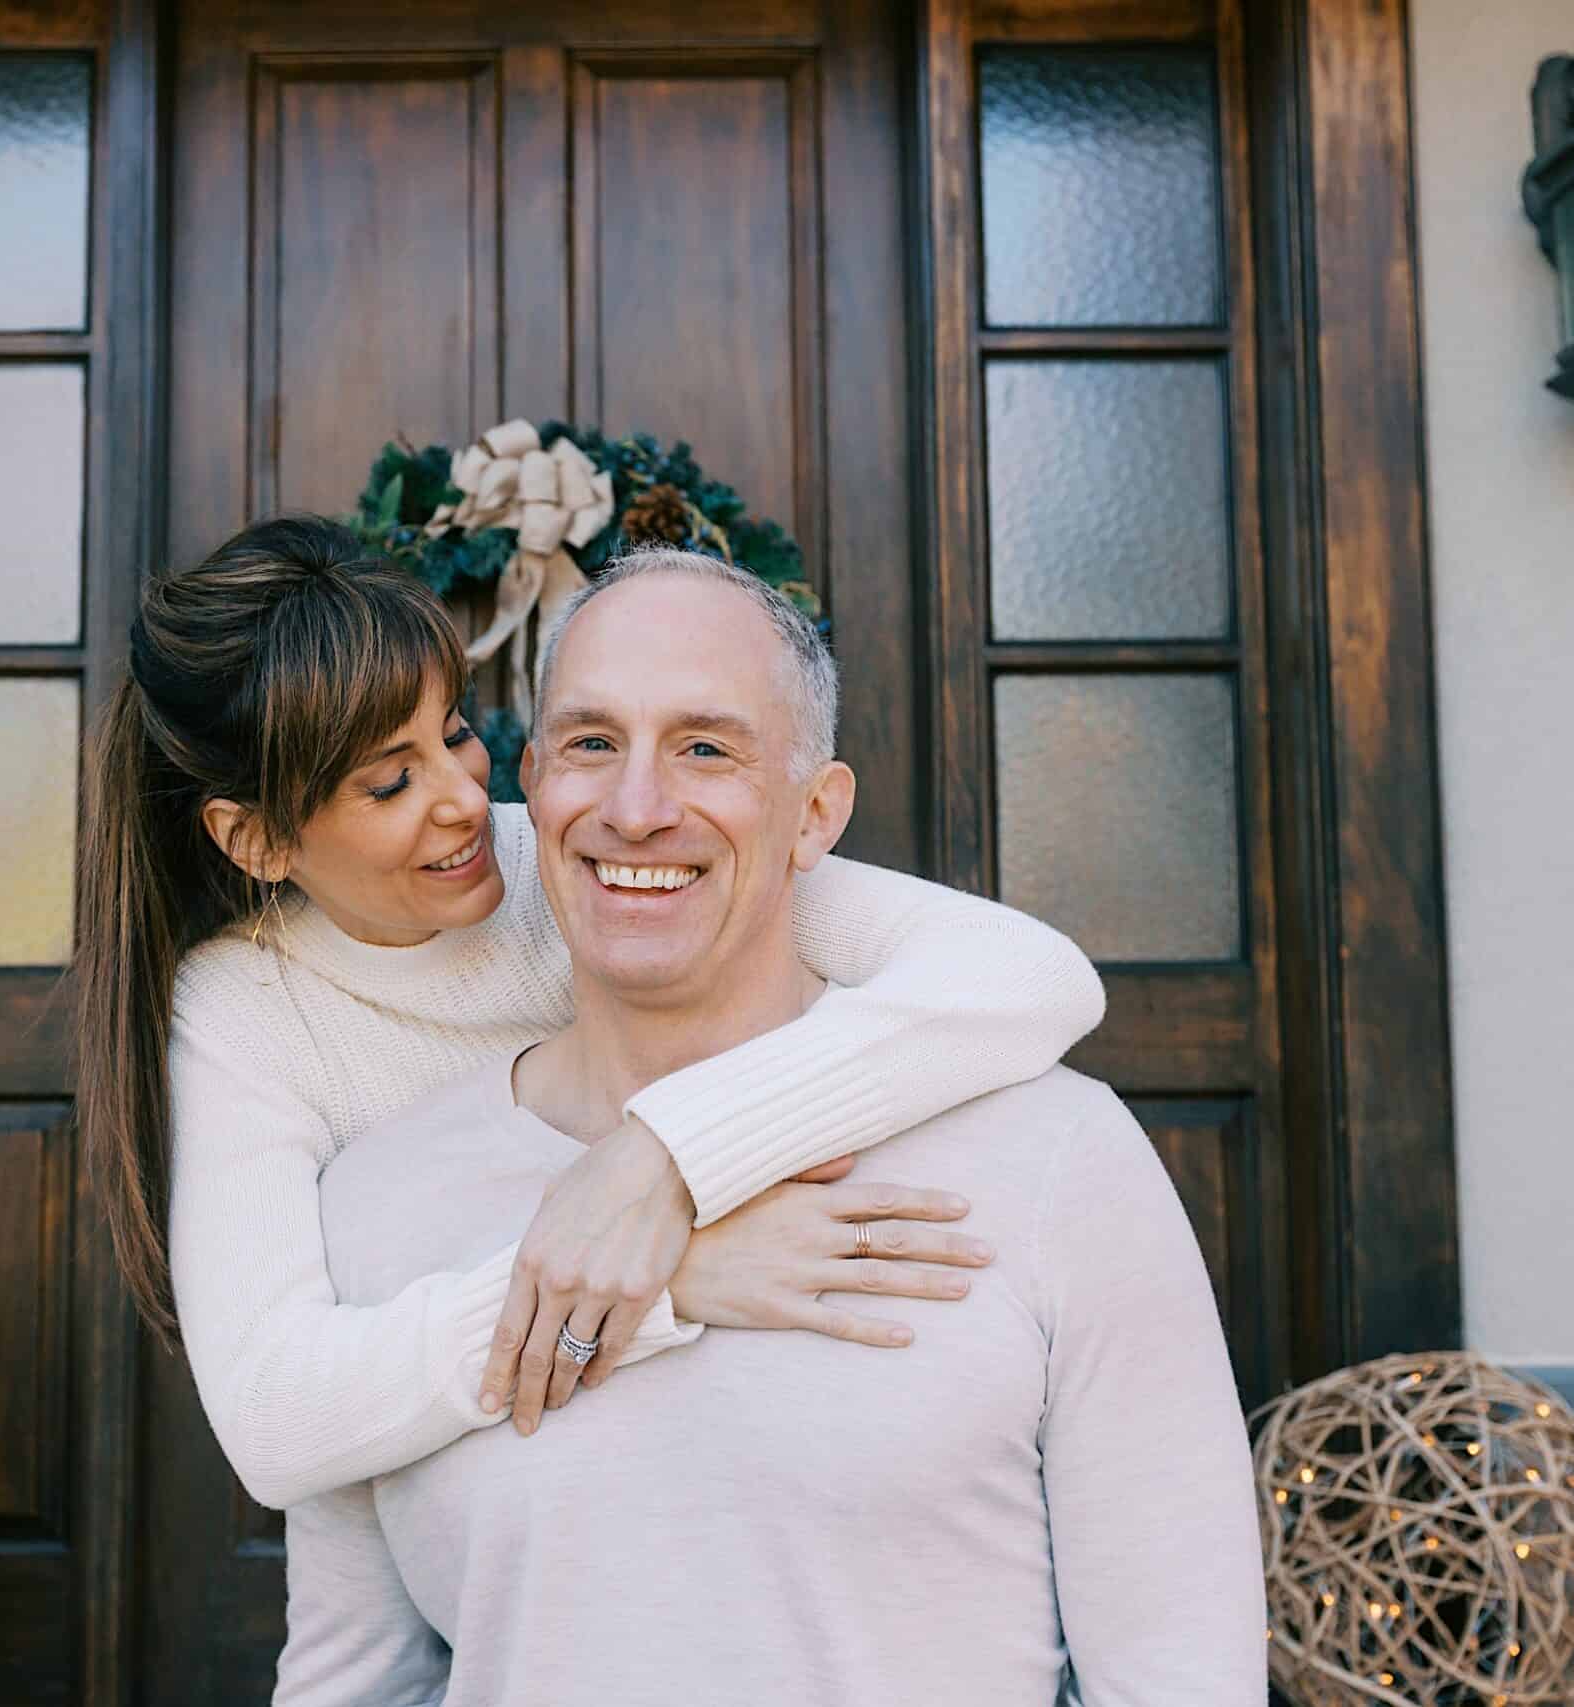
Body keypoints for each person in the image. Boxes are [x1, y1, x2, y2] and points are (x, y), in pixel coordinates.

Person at [290, 548, 1265, 1705]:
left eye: (706, 748)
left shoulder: (1059, 1161)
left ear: (815, 816)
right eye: (593, 744)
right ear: (535, 784)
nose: (637, 809)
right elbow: (355, 1686)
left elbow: (1178, 1674)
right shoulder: (376, 1204)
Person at [75, 516, 1106, 1512]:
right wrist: (660, 1277)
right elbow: (275, 1420)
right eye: (391, 782)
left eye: (457, 734)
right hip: (500, 1487)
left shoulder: (592, 861)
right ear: (254, 841)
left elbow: (1028, 973)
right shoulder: (245, 1008)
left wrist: (664, 1157)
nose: (464, 800)